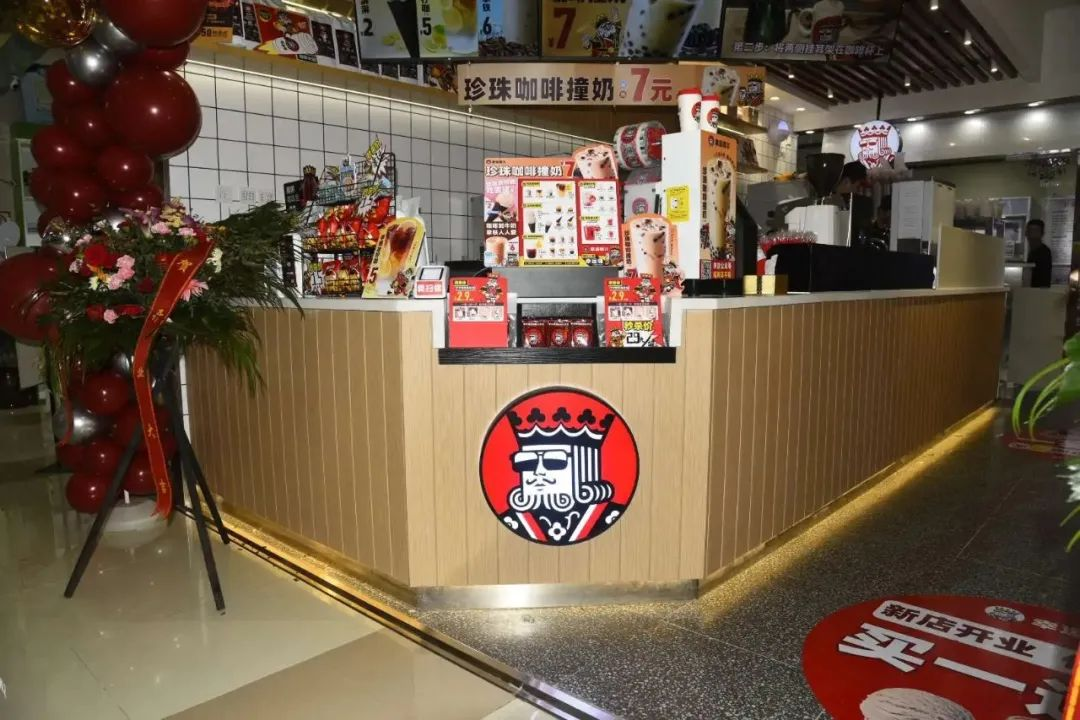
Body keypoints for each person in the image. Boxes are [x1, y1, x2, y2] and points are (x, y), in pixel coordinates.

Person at [1026, 219, 1052, 288]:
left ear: (1042, 234)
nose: (1032, 234)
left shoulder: (1044, 252)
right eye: (1030, 231)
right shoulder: (1032, 251)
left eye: (1035, 231)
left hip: (1038, 291)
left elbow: (1044, 279)